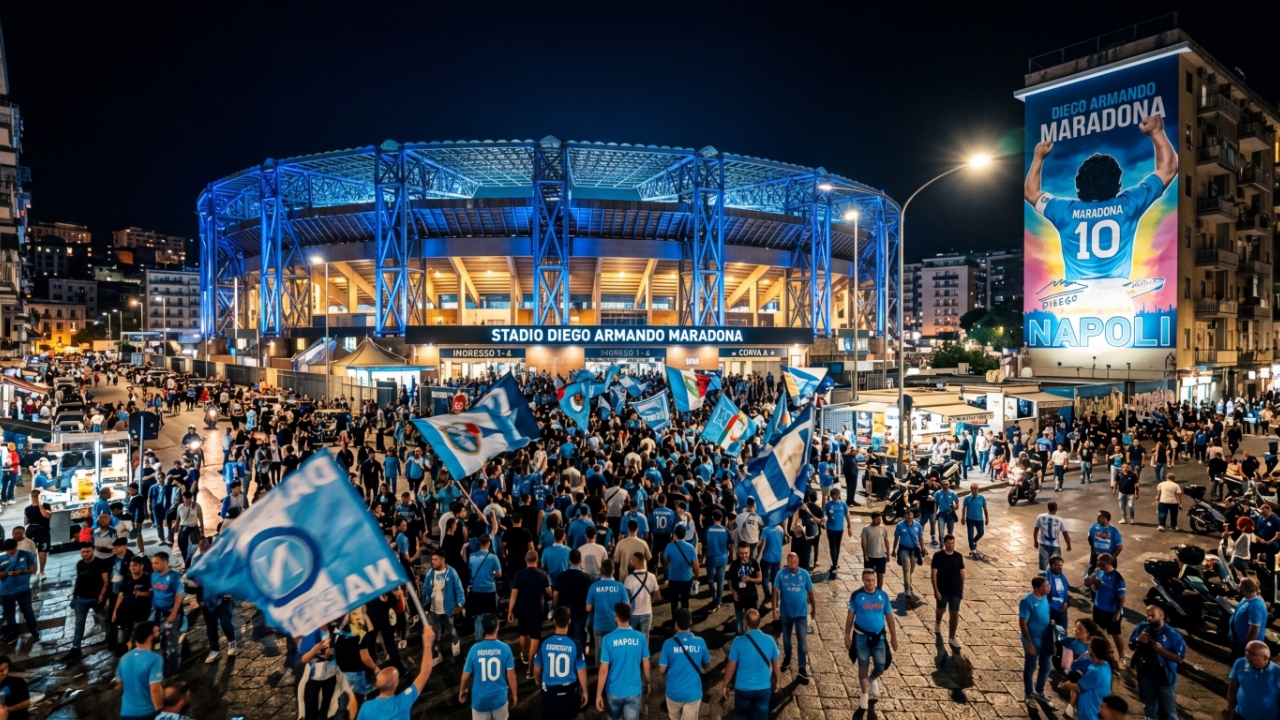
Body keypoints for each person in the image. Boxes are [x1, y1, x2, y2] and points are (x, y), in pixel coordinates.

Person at [356, 623, 435, 720]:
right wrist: (427, 645)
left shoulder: (366, 707)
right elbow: (425, 673)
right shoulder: (402, 702)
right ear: (395, 684)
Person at [845, 568, 897, 712]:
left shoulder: (883, 596)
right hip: (861, 636)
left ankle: (873, 678)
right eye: (867, 580)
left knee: (881, 664)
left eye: (872, 580)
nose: (870, 583)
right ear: (863, 580)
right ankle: (864, 694)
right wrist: (847, 635)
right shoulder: (856, 595)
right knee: (863, 664)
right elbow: (850, 616)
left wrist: (893, 637)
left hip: (879, 637)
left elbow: (890, 617)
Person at [1127, 605, 1185, 720]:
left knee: (1169, 712)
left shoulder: (1173, 635)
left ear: (1161, 616)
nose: (1149, 618)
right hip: (1146, 677)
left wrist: (1161, 651)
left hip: (1165, 679)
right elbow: (1131, 645)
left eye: (1152, 615)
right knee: (1149, 708)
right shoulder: (1142, 627)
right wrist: (1138, 640)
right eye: (1147, 615)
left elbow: (1179, 659)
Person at [595, 602, 650, 720]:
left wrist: (598, 694)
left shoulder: (608, 639)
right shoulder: (640, 637)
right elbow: (646, 665)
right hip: (634, 691)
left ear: (617, 617)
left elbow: (603, 670)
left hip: (614, 691)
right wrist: (648, 683)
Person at [722, 608, 779, 720]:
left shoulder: (737, 642)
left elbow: (731, 666)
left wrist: (725, 684)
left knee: (741, 717)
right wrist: (778, 681)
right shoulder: (770, 640)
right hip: (764, 688)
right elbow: (776, 666)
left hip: (743, 688)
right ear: (759, 622)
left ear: (745, 623)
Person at [534, 607, 589, 720]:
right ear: (569, 621)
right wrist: (585, 691)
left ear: (554, 621)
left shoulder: (544, 642)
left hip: (550, 692)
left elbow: (537, 668)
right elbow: (581, 671)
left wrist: (537, 680)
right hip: (569, 692)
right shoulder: (576, 644)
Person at [460, 614, 517, 720]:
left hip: (480, 700)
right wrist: (514, 694)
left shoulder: (474, 649)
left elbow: (465, 675)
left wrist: (462, 691)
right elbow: (511, 675)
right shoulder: (505, 648)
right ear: (497, 627)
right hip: (499, 699)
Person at [658, 608, 710, 720]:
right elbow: (707, 664)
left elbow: (662, 670)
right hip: (693, 693)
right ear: (690, 622)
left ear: (676, 625)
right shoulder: (700, 642)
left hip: (673, 693)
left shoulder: (668, 644)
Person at [772, 551, 815, 682]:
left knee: (802, 642)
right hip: (785, 613)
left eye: (794, 562)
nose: (792, 564)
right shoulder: (781, 574)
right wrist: (774, 609)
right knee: (786, 639)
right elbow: (774, 591)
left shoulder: (805, 574)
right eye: (790, 562)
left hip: (801, 614)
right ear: (787, 561)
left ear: (798, 561)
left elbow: (810, 591)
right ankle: (788, 657)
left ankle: (802, 668)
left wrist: (814, 608)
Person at [509, 550, 551, 673]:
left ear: (525, 560)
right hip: (536, 609)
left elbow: (514, 595)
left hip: (522, 609)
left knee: (523, 633)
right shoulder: (542, 574)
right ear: (536, 560)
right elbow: (549, 592)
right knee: (535, 636)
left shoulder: (518, 575)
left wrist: (510, 611)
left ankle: (524, 655)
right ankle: (530, 667)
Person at [67, 543, 109, 662]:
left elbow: (106, 582)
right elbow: (78, 579)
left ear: (93, 551)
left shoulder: (101, 563)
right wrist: (74, 596)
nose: (85, 554)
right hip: (81, 598)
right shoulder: (80, 564)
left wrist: (102, 596)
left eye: (87, 551)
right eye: (83, 552)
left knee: (104, 619)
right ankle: (75, 648)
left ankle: (110, 639)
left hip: (96, 598)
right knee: (79, 623)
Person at [1057, 637, 1114, 720]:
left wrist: (1063, 686)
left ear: (1093, 651)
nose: (1088, 647)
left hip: (1090, 714)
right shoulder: (1105, 665)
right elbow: (1093, 682)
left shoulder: (1096, 671)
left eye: (1090, 646)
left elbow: (1076, 687)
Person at [586, 560, 630, 667]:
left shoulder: (594, 586)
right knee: (615, 649)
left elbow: (588, 608)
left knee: (599, 649)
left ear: (601, 571)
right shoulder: (620, 586)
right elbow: (626, 606)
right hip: (615, 624)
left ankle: (599, 670)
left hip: (599, 624)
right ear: (613, 571)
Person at [1085, 553, 1127, 665]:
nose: (1097, 563)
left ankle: (1122, 656)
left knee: (1115, 634)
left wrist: (1117, 612)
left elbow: (1122, 597)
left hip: (1112, 611)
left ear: (1106, 563)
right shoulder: (1098, 572)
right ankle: (1101, 654)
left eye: (1099, 561)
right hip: (1099, 608)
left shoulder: (1118, 578)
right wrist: (1093, 577)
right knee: (1098, 633)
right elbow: (1086, 583)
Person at [424, 548, 466, 661]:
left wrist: (460, 605)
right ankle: (437, 654)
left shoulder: (452, 572)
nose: (432, 562)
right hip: (433, 611)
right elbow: (425, 591)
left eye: (435, 560)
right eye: (432, 559)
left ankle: (456, 644)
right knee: (434, 635)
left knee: (451, 629)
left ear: (442, 560)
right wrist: (425, 605)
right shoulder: (429, 573)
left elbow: (459, 590)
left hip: (448, 610)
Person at [118, 622, 164, 720]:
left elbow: (119, 684)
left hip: (126, 713)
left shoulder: (124, 658)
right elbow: (155, 689)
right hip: (147, 713)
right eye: (157, 632)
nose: (159, 633)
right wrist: (160, 711)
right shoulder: (155, 659)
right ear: (149, 637)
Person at [1019, 576, 1053, 707]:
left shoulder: (1045, 597)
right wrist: (1029, 643)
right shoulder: (1027, 601)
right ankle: (1028, 694)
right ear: (1038, 588)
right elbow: (1023, 623)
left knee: (1046, 666)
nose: (1049, 587)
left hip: (1045, 641)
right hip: (1033, 641)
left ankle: (1039, 690)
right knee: (1030, 668)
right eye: (1046, 585)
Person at [1225, 640, 1280, 720]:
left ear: (1265, 657)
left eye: (1253, 654)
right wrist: (1229, 705)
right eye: (1246, 651)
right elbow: (1232, 685)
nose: (1247, 656)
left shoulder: (1277, 673)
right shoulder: (1240, 663)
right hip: (1240, 715)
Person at [149, 553, 183, 677]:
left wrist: (173, 614)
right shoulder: (153, 576)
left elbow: (178, 596)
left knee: (171, 641)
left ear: (165, 562)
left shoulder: (174, 577)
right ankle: (161, 666)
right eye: (152, 563)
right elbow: (154, 593)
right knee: (156, 640)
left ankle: (174, 666)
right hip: (157, 612)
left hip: (170, 613)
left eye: (156, 563)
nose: (153, 566)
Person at [552, 550, 592, 652]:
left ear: (569, 561)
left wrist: (555, 607)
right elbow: (589, 598)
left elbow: (555, 595)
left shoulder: (561, 576)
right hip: (580, 614)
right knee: (579, 640)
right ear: (580, 560)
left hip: (564, 615)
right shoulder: (586, 578)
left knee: (564, 641)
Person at [930, 534, 965, 649]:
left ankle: (951, 637)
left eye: (953, 543)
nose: (951, 545)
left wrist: (962, 589)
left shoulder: (958, 556)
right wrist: (935, 590)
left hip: (955, 590)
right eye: (949, 543)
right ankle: (938, 621)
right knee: (941, 610)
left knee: (954, 613)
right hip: (942, 590)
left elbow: (962, 573)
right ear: (944, 543)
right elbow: (934, 574)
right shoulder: (938, 556)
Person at [0, 539, 38, 643]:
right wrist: (4, 574)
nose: (10, 553)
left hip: (22, 589)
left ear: (16, 547)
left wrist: (22, 571)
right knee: (9, 614)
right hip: (6, 591)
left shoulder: (26, 555)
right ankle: (13, 632)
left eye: (12, 550)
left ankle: (33, 629)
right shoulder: (1, 558)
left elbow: (33, 570)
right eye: (8, 551)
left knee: (27, 610)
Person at [623, 551, 660, 644]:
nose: (631, 562)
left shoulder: (629, 579)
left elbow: (625, 599)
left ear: (637, 561)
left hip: (633, 613)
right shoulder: (652, 577)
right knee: (644, 638)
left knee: (631, 639)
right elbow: (657, 597)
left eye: (632, 560)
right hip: (647, 613)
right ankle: (644, 657)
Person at [727, 542, 762, 635]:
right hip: (739, 597)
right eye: (741, 553)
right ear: (738, 553)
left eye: (746, 553)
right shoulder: (734, 564)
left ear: (749, 552)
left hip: (751, 596)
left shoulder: (754, 562)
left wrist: (750, 578)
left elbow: (759, 579)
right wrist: (733, 592)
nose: (744, 555)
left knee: (753, 623)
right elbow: (729, 581)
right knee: (739, 623)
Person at [662, 525, 698, 613]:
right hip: (686, 578)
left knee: (674, 602)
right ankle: (684, 622)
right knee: (685, 601)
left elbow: (665, 561)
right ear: (685, 535)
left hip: (673, 578)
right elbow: (695, 565)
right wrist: (696, 576)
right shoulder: (691, 547)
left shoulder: (669, 546)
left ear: (675, 534)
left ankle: (675, 622)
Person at [1229, 578, 1268, 659]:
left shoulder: (1256, 605)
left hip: (1248, 645)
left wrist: (1247, 646)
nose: (1238, 585)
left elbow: (1254, 628)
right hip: (1238, 641)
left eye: (1240, 584)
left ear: (1244, 587)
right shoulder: (1246, 599)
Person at [891, 510, 923, 601]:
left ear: (913, 516)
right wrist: (893, 550)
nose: (909, 516)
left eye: (911, 514)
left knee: (911, 569)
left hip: (915, 550)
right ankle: (907, 589)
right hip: (903, 549)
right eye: (908, 515)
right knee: (906, 569)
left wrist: (923, 547)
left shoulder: (917, 525)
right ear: (905, 516)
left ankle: (908, 582)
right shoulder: (900, 526)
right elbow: (896, 538)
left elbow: (921, 537)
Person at [1032, 501, 1071, 572]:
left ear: (1048, 508)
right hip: (1055, 546)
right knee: (1056, 567)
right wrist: (1068, 545)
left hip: (1043, 545)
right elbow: (1065, 534)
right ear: (1056, 509)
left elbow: (1036, 530)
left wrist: (1035, 541)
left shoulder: (1040, 517)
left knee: (1043, 568)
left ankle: (1043, 581)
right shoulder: (1060, 520)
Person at [704, 512, 730, 609]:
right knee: (720, 580)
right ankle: (718, 600)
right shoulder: (726, 530)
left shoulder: (708, 530)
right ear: (722, 518)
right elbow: (729, 543)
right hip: (723, 558)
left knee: (710, 579)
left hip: (711, 558)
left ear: (712, 517)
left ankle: (713, 596)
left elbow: (704, 543)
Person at [822, 489, 850, 577]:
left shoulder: (843, 504)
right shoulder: (828, 505)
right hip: (831, 529)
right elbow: (825, 514)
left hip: (840, 529)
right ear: (831, 495)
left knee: (837, 546)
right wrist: (825, 519)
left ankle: (835, 562)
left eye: (837, 494)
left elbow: (847, 515)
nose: (836, 496)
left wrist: (849, 526)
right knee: (832, 546)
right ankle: (834, 565)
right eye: (834, 495)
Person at [859, 512, 890, 589]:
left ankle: (879, 590)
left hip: (881, 556)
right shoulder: (866, 529)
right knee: (868, 574)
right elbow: (863, 542)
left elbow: (886, 541)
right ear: (873, 519)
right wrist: (865, 554)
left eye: (880, 519)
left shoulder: (883, 529)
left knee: (880, 574)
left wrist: (888, 553)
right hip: (870, 556)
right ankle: (868, 589)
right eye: (877, 519)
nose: (879, 520)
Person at [1086, 511, 1123, 575]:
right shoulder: (1094, 527)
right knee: (1092, 576)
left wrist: (1112, 558)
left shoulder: (1114, 531)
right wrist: (1092, 551)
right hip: (1095, 556)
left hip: (1108, 558)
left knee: (1108, 577)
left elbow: (1119, 547)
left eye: (1099, 517)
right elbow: (1090, 539)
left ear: (1105, 518)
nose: (1097, 518)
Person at [1043, 555, 1070, 630]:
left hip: (1062, 609)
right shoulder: (1044, 576)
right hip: (1049, 609)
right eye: (1058, 565)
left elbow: (1065, 590)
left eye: (1061, 566)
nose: (1060, 568)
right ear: (1052, 565)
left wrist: (1066, 602)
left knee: (1062, 631)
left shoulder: (1062, 576)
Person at [960, 483, 988, 558]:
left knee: (981, 532)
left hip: (979, 519)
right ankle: (973, 549)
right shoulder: (967, 498)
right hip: (970, 519)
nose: (975, 490)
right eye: (973, 489)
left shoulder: (981, 498)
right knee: (970, 533)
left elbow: (985, 508)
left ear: (978, 490)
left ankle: (973, 541)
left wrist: (987, 518)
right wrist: (963, 517)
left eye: (976, 489)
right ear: (971, 489)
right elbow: (964, 508)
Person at [0, 655, 29, 720]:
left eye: (6, 668)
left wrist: (9, 709)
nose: (4, 673)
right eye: (0, 671)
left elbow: (26, 702)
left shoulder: (17, 682)